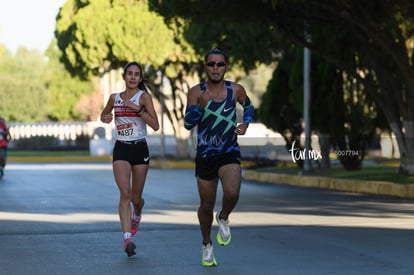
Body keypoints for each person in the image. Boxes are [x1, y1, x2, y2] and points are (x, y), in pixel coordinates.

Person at [184, 48, 254, 266]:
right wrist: (200, 108)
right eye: (211, 64)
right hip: (205, 153)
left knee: (232, 192)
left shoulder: (236, 90)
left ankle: (223, 217)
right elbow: (188, 123)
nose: (215, 68)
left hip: (229, 151)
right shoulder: (196, 91)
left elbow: (249, 105)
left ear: (226, 66)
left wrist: (246, 123)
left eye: (220, 64)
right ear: (205, 66)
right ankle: (206, 245)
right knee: (206, 203)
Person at [100, 61, 160, 257]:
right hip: (121, 150)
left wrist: (137, 109)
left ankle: (138, 211)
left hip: (139, 148)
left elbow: (155, 125)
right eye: (130, 74)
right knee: (124, 194)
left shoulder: (144, 97)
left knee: (136, 198)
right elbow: (104, 114)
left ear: (140, 79)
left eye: (136, 74)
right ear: (124, 77)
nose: (133, 77)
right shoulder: (114, 98)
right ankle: (127, 238)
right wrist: (106, 117)